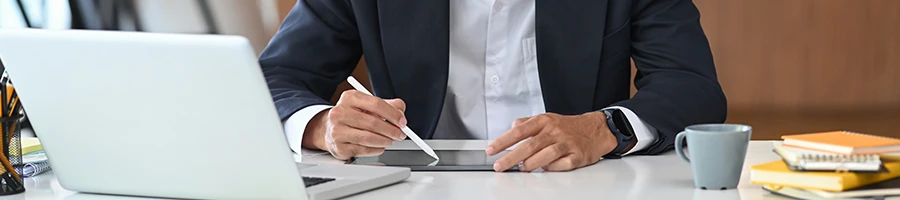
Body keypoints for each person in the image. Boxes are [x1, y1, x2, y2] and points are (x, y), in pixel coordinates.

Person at [258, 0, 726, 172]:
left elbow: (692, 86)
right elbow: (275, 77)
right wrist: (322, 126)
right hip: (413, 184)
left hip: (577, 185)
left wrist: (603, 129)